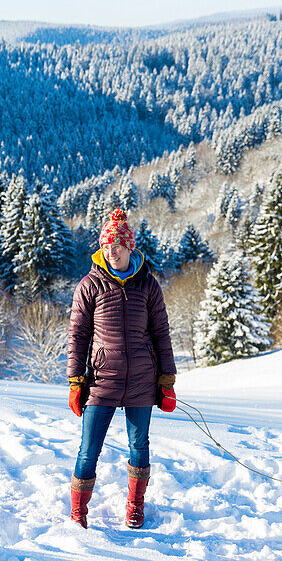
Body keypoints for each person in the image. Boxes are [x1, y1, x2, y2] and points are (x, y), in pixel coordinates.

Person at [66, 208, 177, 529]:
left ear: (130, 248)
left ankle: (135, 505)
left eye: (117, 246)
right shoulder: (90, 285)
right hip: (102, 380)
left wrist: (166, 381)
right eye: (106, 247)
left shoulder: (148, 286)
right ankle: (78, 512)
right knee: (88, 451)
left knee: (139, 448)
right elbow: (77, 335)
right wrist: (75, 381)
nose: (111, 252)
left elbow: (161, 333)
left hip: (142, 381)